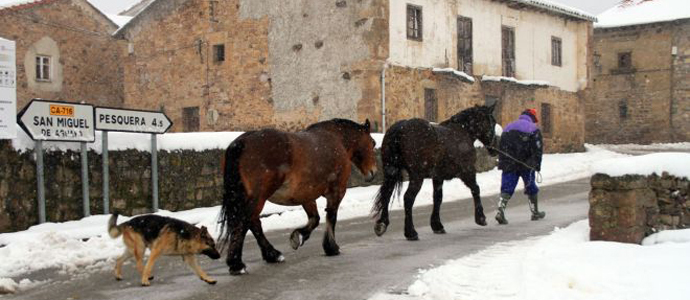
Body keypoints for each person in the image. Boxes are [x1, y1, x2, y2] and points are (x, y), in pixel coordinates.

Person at [495, 108, 545, 225]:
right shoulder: (533, 129)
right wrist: (536, 165)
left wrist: (503, 162)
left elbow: (501, 146)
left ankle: (500, 211)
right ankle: (534, 211)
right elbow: (537, 149)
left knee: (507, 188)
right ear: (532, 118)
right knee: (530, 187)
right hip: (526, 164)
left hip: (509, 163)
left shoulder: (508, 127)